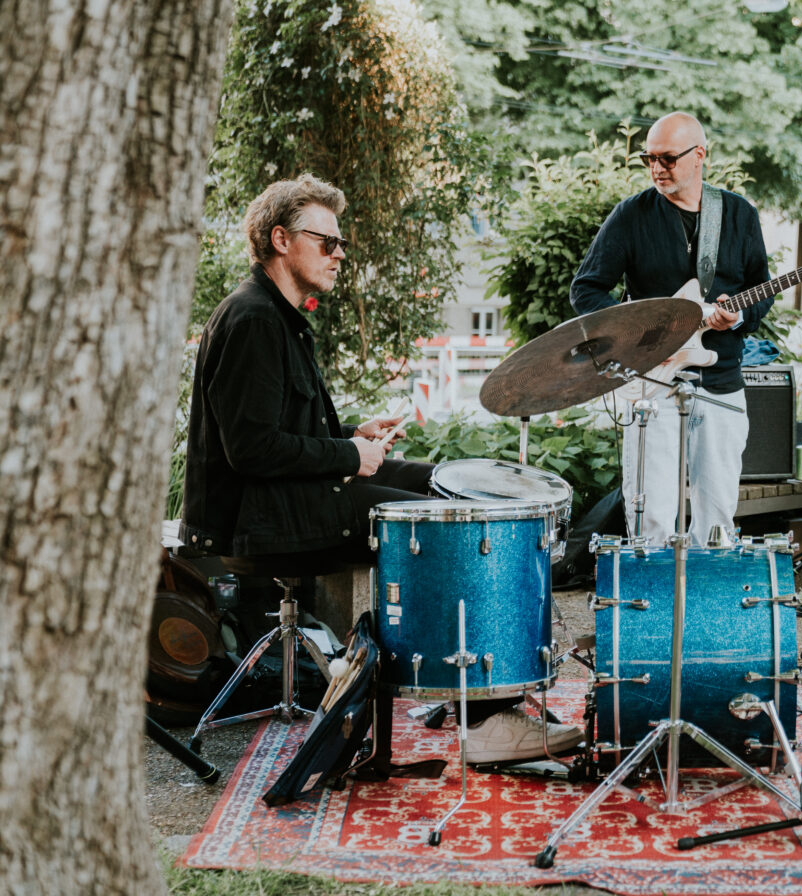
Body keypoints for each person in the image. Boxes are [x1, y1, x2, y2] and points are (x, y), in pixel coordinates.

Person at [180, 173, 579, 763]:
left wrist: (350, 437)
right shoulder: (254, 320)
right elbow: (251, 449)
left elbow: (279, 432)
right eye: (328, 242)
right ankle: (487, 717)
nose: (340, 254)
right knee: (440, 527)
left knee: (447, 483)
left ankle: (468, 682)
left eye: (342, 244)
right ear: (282, 239)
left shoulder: (277, 316)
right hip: (257, 518)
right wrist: (348, 457)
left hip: (287, 498)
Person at [571, 112, 772, 545]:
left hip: (720, 380)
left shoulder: (739, 215)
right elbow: (586, 290)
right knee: (650, 516)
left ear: (700, 155)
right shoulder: (631, 216)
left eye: (667, 158)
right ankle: (652, 606)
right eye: (649, 159)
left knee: (717, 518)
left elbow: (762, 291)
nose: (656, 169)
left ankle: (705, 607)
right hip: (649, 382)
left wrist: (737, 316)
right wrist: (640, 338)